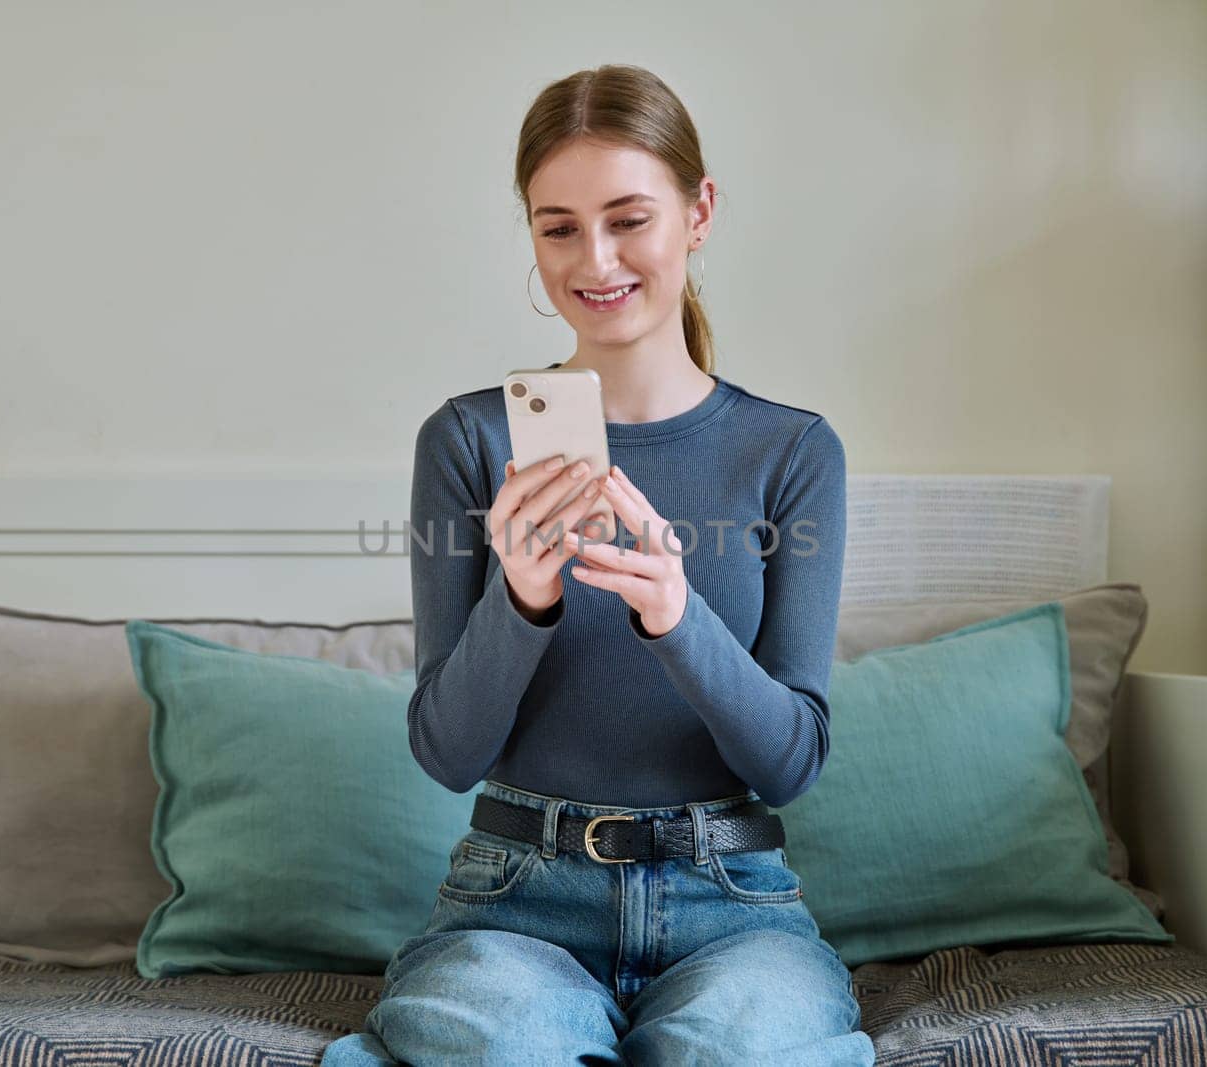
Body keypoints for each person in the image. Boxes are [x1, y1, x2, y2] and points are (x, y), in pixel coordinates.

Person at [321, 63, 875, 1066]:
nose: (597, 257)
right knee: (508, 1042)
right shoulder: (467, 442)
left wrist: (676, 613)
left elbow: (790, 762)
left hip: (734, 904)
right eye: (559, 226)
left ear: (698, 213)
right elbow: (445, 752)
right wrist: (521, 599)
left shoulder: (790, 453)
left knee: (740, 1050)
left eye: (629, 218)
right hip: (515, 900)